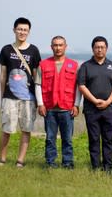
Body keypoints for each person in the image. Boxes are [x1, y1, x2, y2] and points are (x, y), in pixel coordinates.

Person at [0, 17, 41, 168]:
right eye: (20, 29)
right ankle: (2, 159)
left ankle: (20, 161)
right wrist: (2, 97)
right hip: (9, 96)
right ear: (14, 30)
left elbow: (36, 77)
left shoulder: (34, 50)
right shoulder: (6, 50)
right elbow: (3, 75)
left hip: (28, 97)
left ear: (29, 32)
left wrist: (38, 99)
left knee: (26, 129)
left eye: (25, 30)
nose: (22, 32)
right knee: (6, 129)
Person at [35, 36, 81, 169]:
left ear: (65, 46)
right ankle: (50, 162)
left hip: (67, 108)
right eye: (55, 45)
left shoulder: (74, 65)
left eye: (61, 45)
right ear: (51, 47)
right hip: (49, 109)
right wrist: (40, 104)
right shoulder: (43, 65)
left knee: (67, 139)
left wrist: (76, 105)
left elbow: (78, 87)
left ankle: (67, 162)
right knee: (50, 138)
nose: (58, 48)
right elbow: (38, 85)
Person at [77, 36, 112, 173]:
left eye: (102, 47)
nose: (100, 50)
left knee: (108, 140)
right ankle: (95, 167)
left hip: (109, 109)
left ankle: (108, 167)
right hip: (91, 110)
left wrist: (108, 101)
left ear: (106, 49)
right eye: (97, 47)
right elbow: (82, 86)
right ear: (93, 49)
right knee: (94, 139)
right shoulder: (85, 66)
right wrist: (94, 100)